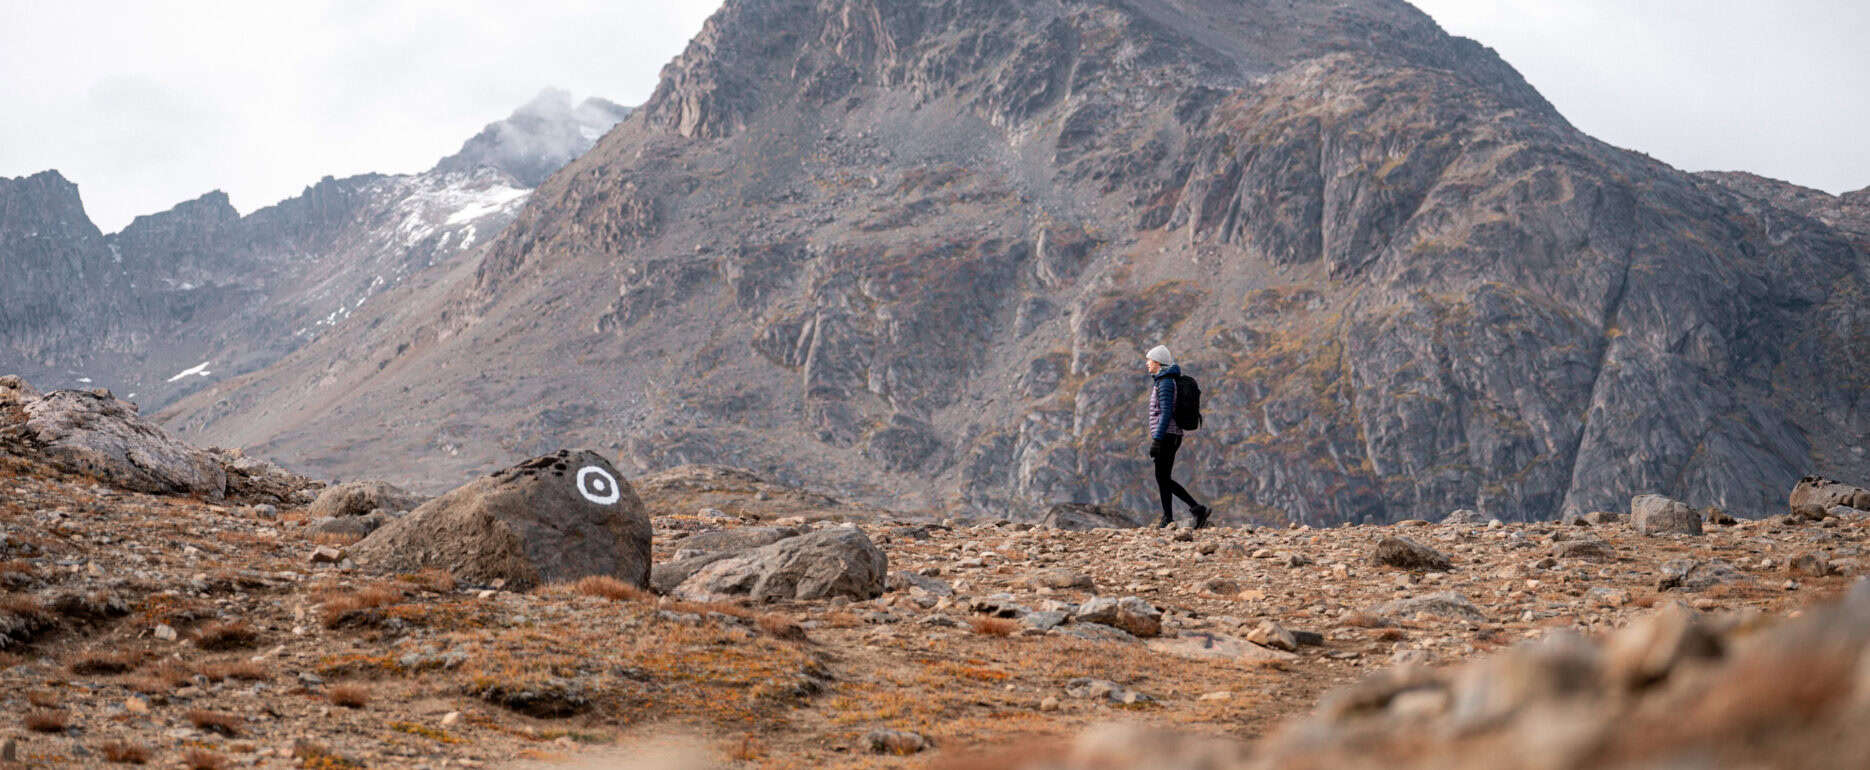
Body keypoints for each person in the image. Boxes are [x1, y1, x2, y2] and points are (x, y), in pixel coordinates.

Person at [1146, 345, 1210, 528]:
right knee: (1163, 477)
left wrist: (1157, 440)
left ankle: (1194, 509)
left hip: (1167, 436)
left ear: (1158, 362)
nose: (1147, 364)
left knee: (1163, 477)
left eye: (1149, 360)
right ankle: (1170, 516)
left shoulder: (1165, 382)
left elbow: (1165, 413)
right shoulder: (1163, 380)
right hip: (1170, 435)